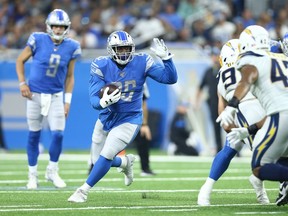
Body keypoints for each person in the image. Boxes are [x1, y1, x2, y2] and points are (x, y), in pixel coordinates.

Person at [68, 31, 177, 203]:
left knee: (107, 154)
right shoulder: (101, 64)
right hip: (106, 117)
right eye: (119, 49)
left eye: (127, 48)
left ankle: (82, 191)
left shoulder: (142, 61)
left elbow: (170, 79)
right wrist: (103, 102)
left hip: (129, 119)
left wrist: (167, 59)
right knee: (97, 163)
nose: (124, 52)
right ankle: (125, 162)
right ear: (111, 50)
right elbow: (94, 100)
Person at [217, 25, 288, 207]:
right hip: (278, 114)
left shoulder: (251, 59)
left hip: (281, 115)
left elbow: (248, 76)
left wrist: (232, 105)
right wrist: (249, 130)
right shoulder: (281, 58)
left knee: (259, 168)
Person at [15, 9, 82, 189]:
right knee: (33, 135)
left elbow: (70, 77)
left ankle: (52, 170)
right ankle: (32, 175)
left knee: (58, 134)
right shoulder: (37, 39)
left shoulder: (72, 46)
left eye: (62, 27)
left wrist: (67, 101)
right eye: (55, 26)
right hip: (35, 95)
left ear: (66, 28)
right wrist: (22, 83)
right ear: (49, 26)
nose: (59, 30)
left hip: (55, 96)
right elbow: (20, 60)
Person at [198, 39, 269, 206]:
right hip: (256, 111)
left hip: (236, 115)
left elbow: (222, 114)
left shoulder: (221, 75)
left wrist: (234, 130)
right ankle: (262, 184)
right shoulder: (250, 66)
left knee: (230, 148)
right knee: (275, 153)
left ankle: (205, 190)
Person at [195, 47, 223, 154]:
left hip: (225, 103)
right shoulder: (208, 71)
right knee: (216, 127)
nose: (215, 58)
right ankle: (219, 149)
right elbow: (200, 87)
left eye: (216, 56)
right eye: (213, 56)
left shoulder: (223, 70)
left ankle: (235, 150)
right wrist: (196, 101)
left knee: (230, 126)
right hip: (213, 103)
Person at [133, 82, 155, 176]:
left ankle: (145, 168)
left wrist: (145, 124)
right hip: (117, 115)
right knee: (103, 138)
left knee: (143, 138)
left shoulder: (142, 81)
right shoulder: (114, 75)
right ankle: (93, 165)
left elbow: (143, 103)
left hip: (134, 117)